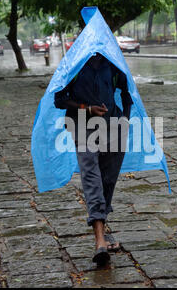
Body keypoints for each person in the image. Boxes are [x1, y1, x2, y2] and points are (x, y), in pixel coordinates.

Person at [54, 52, 133, 266]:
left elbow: (127, 94)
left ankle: (103, 232)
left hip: (114, 129)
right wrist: (87, 108)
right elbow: (59, 99)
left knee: (108, 181)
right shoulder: (74, 64)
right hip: (82, 128)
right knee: (91, 178)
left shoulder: (114, 63)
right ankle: (99, 241)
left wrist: (125, 119)